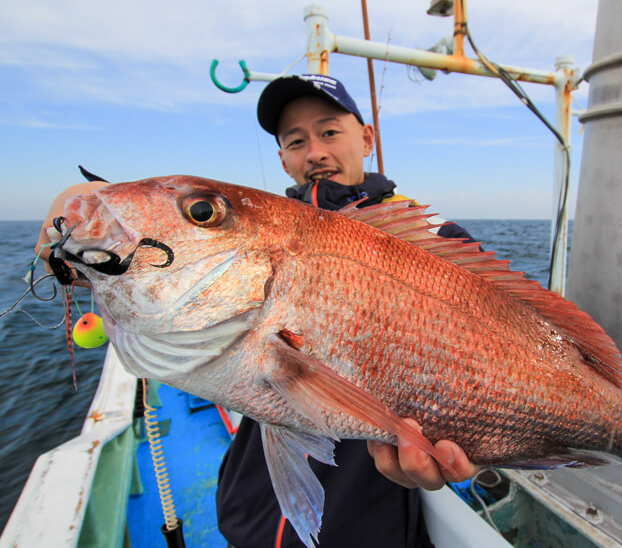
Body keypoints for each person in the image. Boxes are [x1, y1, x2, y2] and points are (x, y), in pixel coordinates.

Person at [34, 73, 479, 548]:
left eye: (330, 132)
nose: (315, 152)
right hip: (251, 508)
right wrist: (78, 208)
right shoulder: (260, 226)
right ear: (283, 158)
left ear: (367, 139)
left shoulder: (436, 240)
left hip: (370, 515)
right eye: (296, 141)